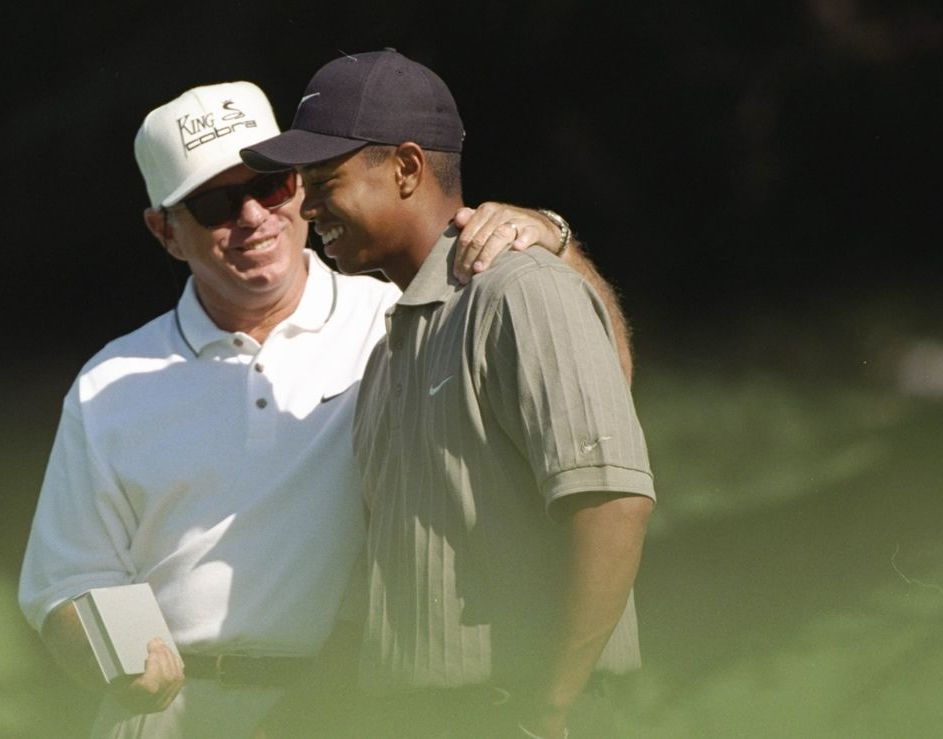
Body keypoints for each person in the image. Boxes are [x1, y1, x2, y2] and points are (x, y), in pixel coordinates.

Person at [18, 79, 631, 739]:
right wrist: (118, 666)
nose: (253, 215)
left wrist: (556, 241)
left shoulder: (397, 317)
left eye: (272, 185)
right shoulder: (110, 380)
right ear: (164, 231)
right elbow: (66, 589)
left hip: (355, 702)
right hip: (169, 713)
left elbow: (604, 385)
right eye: (216, 203)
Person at [242, 49, 655, 738]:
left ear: (406, 168)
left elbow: (613, 502)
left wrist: (547, 710)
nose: (305, 206)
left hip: (520, 712)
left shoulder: (520, 291)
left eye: (325, 180)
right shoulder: (392, 351)